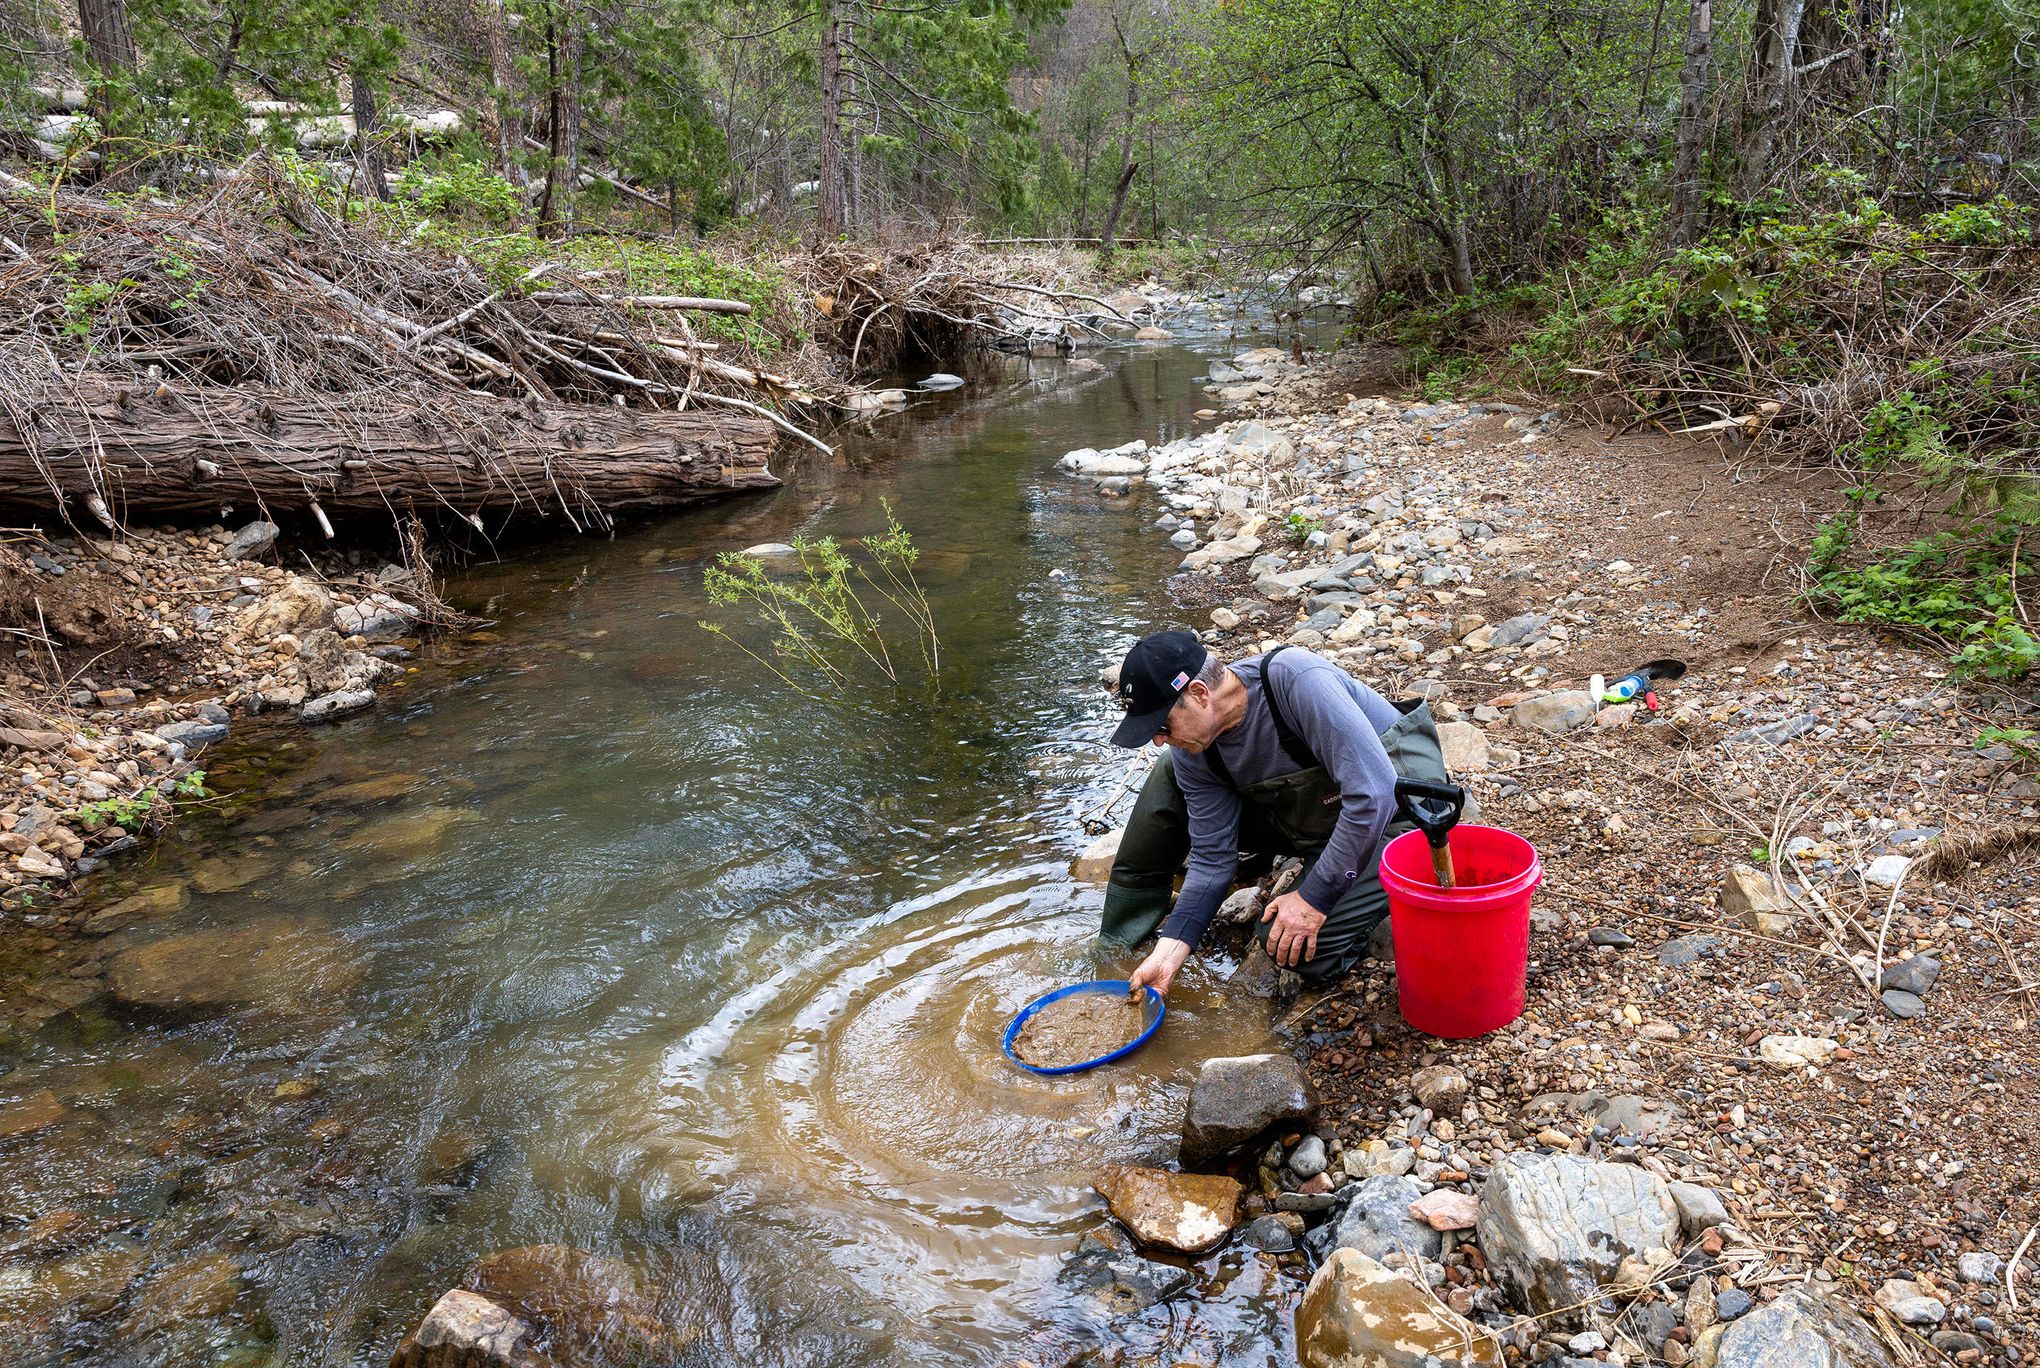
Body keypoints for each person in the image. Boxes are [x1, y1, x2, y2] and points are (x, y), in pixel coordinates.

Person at [1099, 630, 1454, 997]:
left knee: (1290, 947)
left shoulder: (1296, 680)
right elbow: (1211, 858)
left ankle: (1378, 906)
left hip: (1401, 812)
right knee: (1168, 770)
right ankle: (1121, 931)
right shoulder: (1195, 749)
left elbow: (1374, 796)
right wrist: (1172, 949)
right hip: (1320, 813)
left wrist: (1314, 898)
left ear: (1200, 694)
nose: (1158, 739)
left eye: (1161, 726)